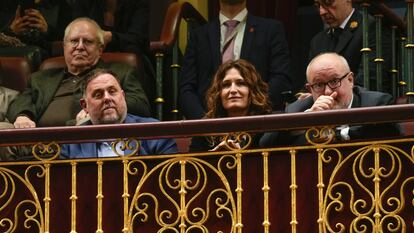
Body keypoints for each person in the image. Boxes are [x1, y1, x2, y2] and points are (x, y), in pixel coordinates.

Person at [6, 17, 150, 128]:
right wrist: (23, 116)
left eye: (87, 41)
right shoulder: (41, 78)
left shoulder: (120, 72)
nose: (79, 47)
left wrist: (95, 107)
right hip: (41, 146)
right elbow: (20, 101)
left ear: (100, 49)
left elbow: (141, 105)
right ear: (64, 46)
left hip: (90, 141)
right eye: (74, 41)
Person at [179, 0, 292, 120]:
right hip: (207, 126)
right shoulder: (199, 35)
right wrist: (204, 122)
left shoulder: (271, 29)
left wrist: (255, 113)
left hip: (260, 125)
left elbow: (281, 78)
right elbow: (187, 87)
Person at [260, 52, 401, 146]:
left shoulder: (377, 103)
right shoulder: (299, 109)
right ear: (309, 89)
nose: (327, 92)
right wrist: (303, 123)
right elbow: (265, 143)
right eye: (319, 85)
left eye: (334, 81)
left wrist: (328, 133)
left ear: (350, 80)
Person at [60, 69, 177, 158]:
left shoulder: (154, 132)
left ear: (123, 96)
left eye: (112, 92)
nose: (107, 98)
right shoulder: (71, 143)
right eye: (98, 94)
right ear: (85, 106)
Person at [309, 0, 392, 93]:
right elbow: (310, 82)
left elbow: (369, 80)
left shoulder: (370, 28)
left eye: (328, 3)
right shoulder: (318, 40)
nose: (322, 12)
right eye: (318, 5)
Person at [190, 59, 272, 151]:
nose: (233, 90)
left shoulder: (267, 127)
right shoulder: (205, 130)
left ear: (252, 90)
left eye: (241, 83)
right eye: (226, 85)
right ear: (219, 93)